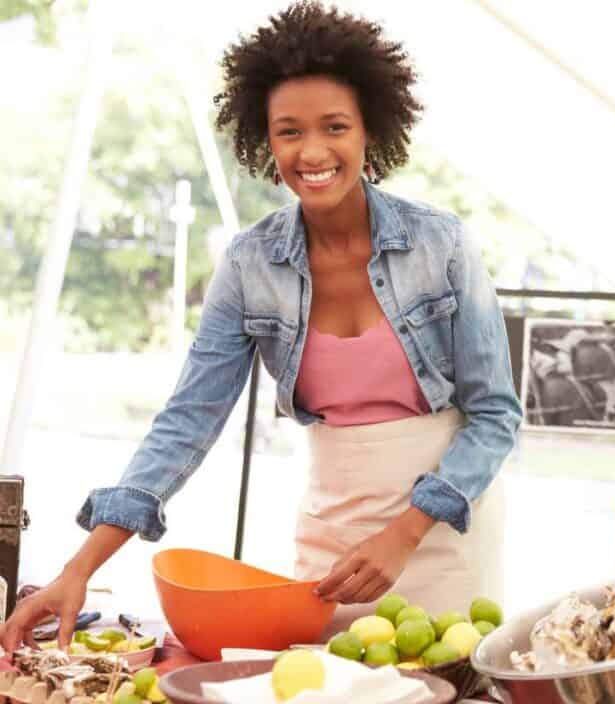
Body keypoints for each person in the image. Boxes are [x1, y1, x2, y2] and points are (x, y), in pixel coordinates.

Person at [1, 0, 521, 652]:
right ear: (262, 138)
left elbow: (496, 414)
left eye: (335, 126)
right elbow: (188, 420)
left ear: (369, 130)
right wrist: (79, 569)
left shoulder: (440, 244)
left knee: (442, 680)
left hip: (445, 529)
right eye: (288, 132)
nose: (312, 151)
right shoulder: (250, 263)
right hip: (334, 527)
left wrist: (406, 531)